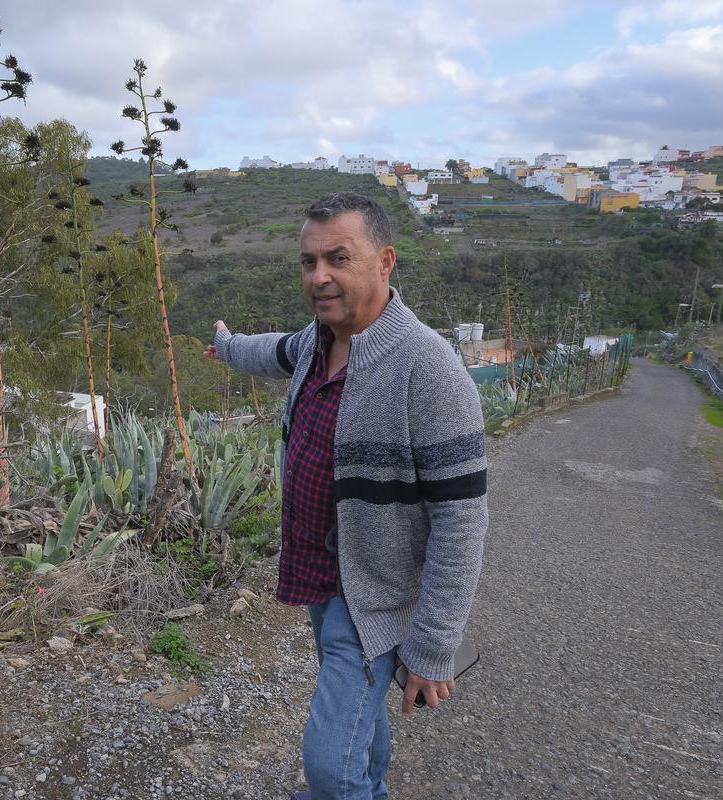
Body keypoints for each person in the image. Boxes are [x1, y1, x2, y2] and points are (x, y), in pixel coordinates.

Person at [203, 192, 488, 799]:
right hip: (317, 573)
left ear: (385, 261)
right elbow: (270, 349)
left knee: (329, 766)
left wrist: (434, 646)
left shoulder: (429, 370)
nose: (320, 276)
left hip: (372, 595)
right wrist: (227, 345)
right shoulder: (315, 343)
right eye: (309, 262)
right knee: (360, 718)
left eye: (338, 257)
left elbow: (461, 521)